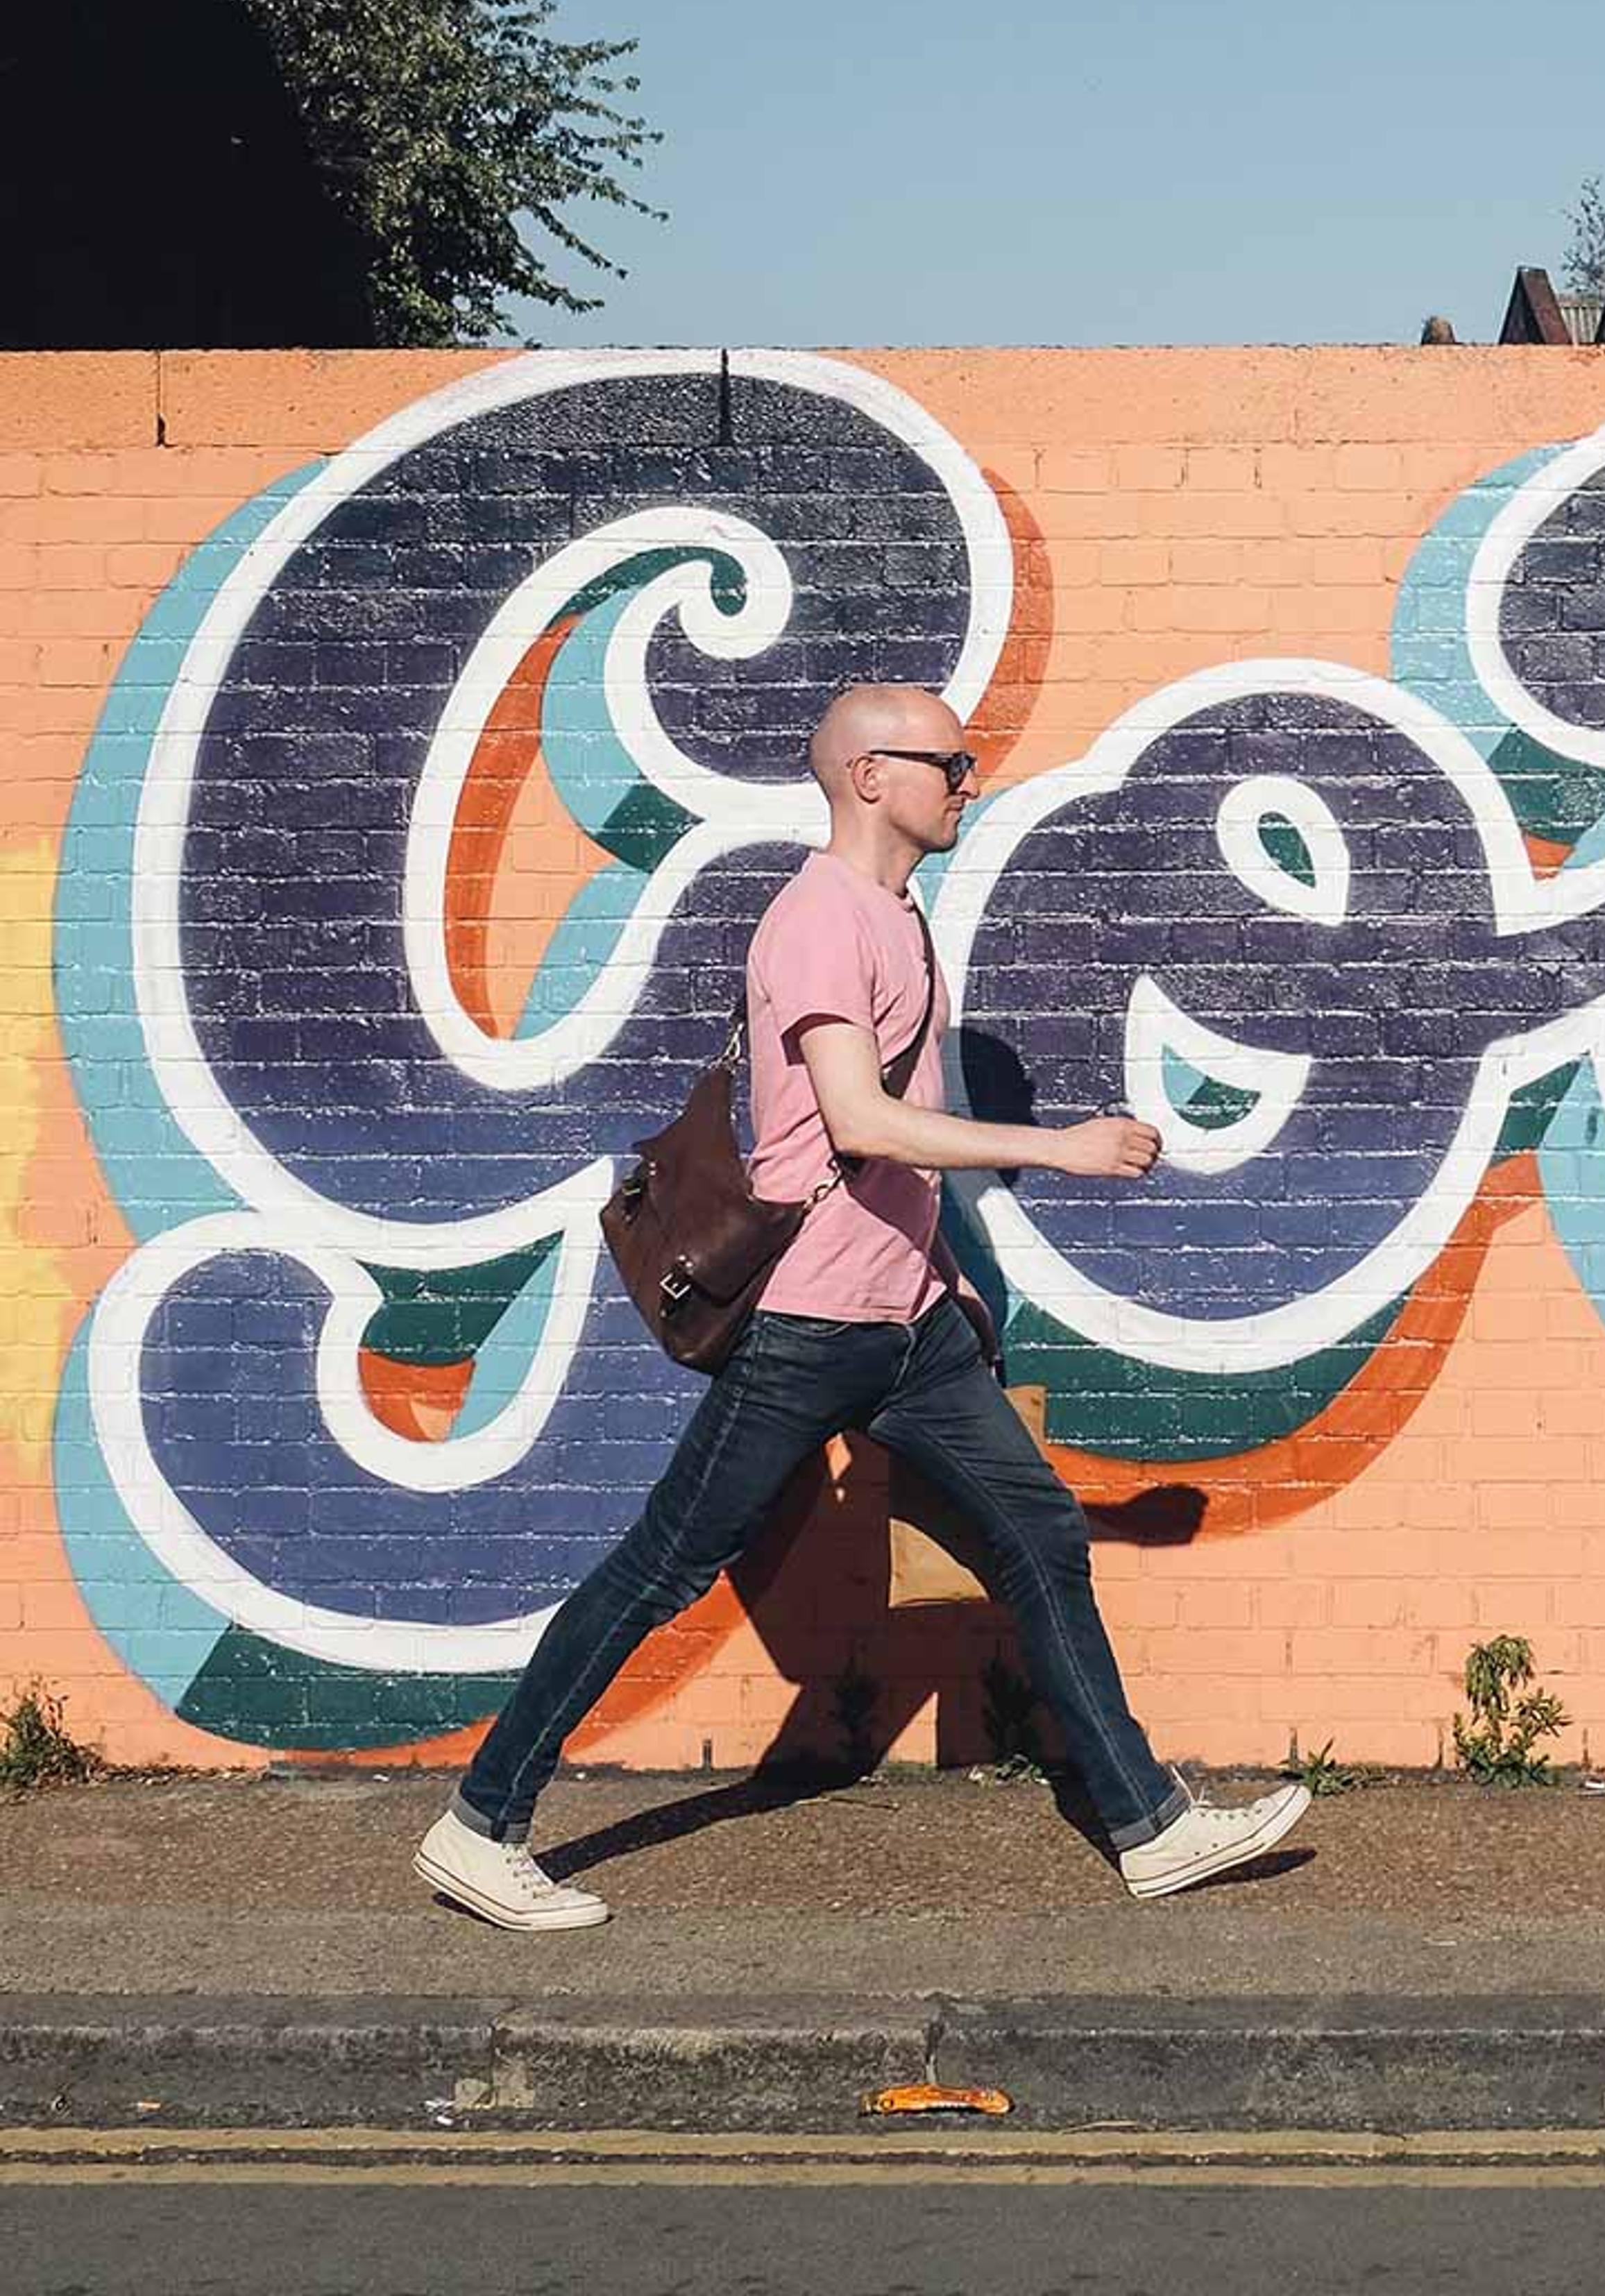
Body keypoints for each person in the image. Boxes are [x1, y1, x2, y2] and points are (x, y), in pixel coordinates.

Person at [414, 683, 1309, 1929]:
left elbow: (883, 1154)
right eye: (952, 762)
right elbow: (858, 1121)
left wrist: (938, 1277)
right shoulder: (818, 920)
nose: (970, 780)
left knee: (1038, 1532)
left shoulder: (896, 916)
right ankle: (481, 1823)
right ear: (869, 776)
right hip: (810, 1325)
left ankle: (1148, 1827)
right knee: (665, 1567)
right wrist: (1059, 1150)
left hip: (908, 1329)